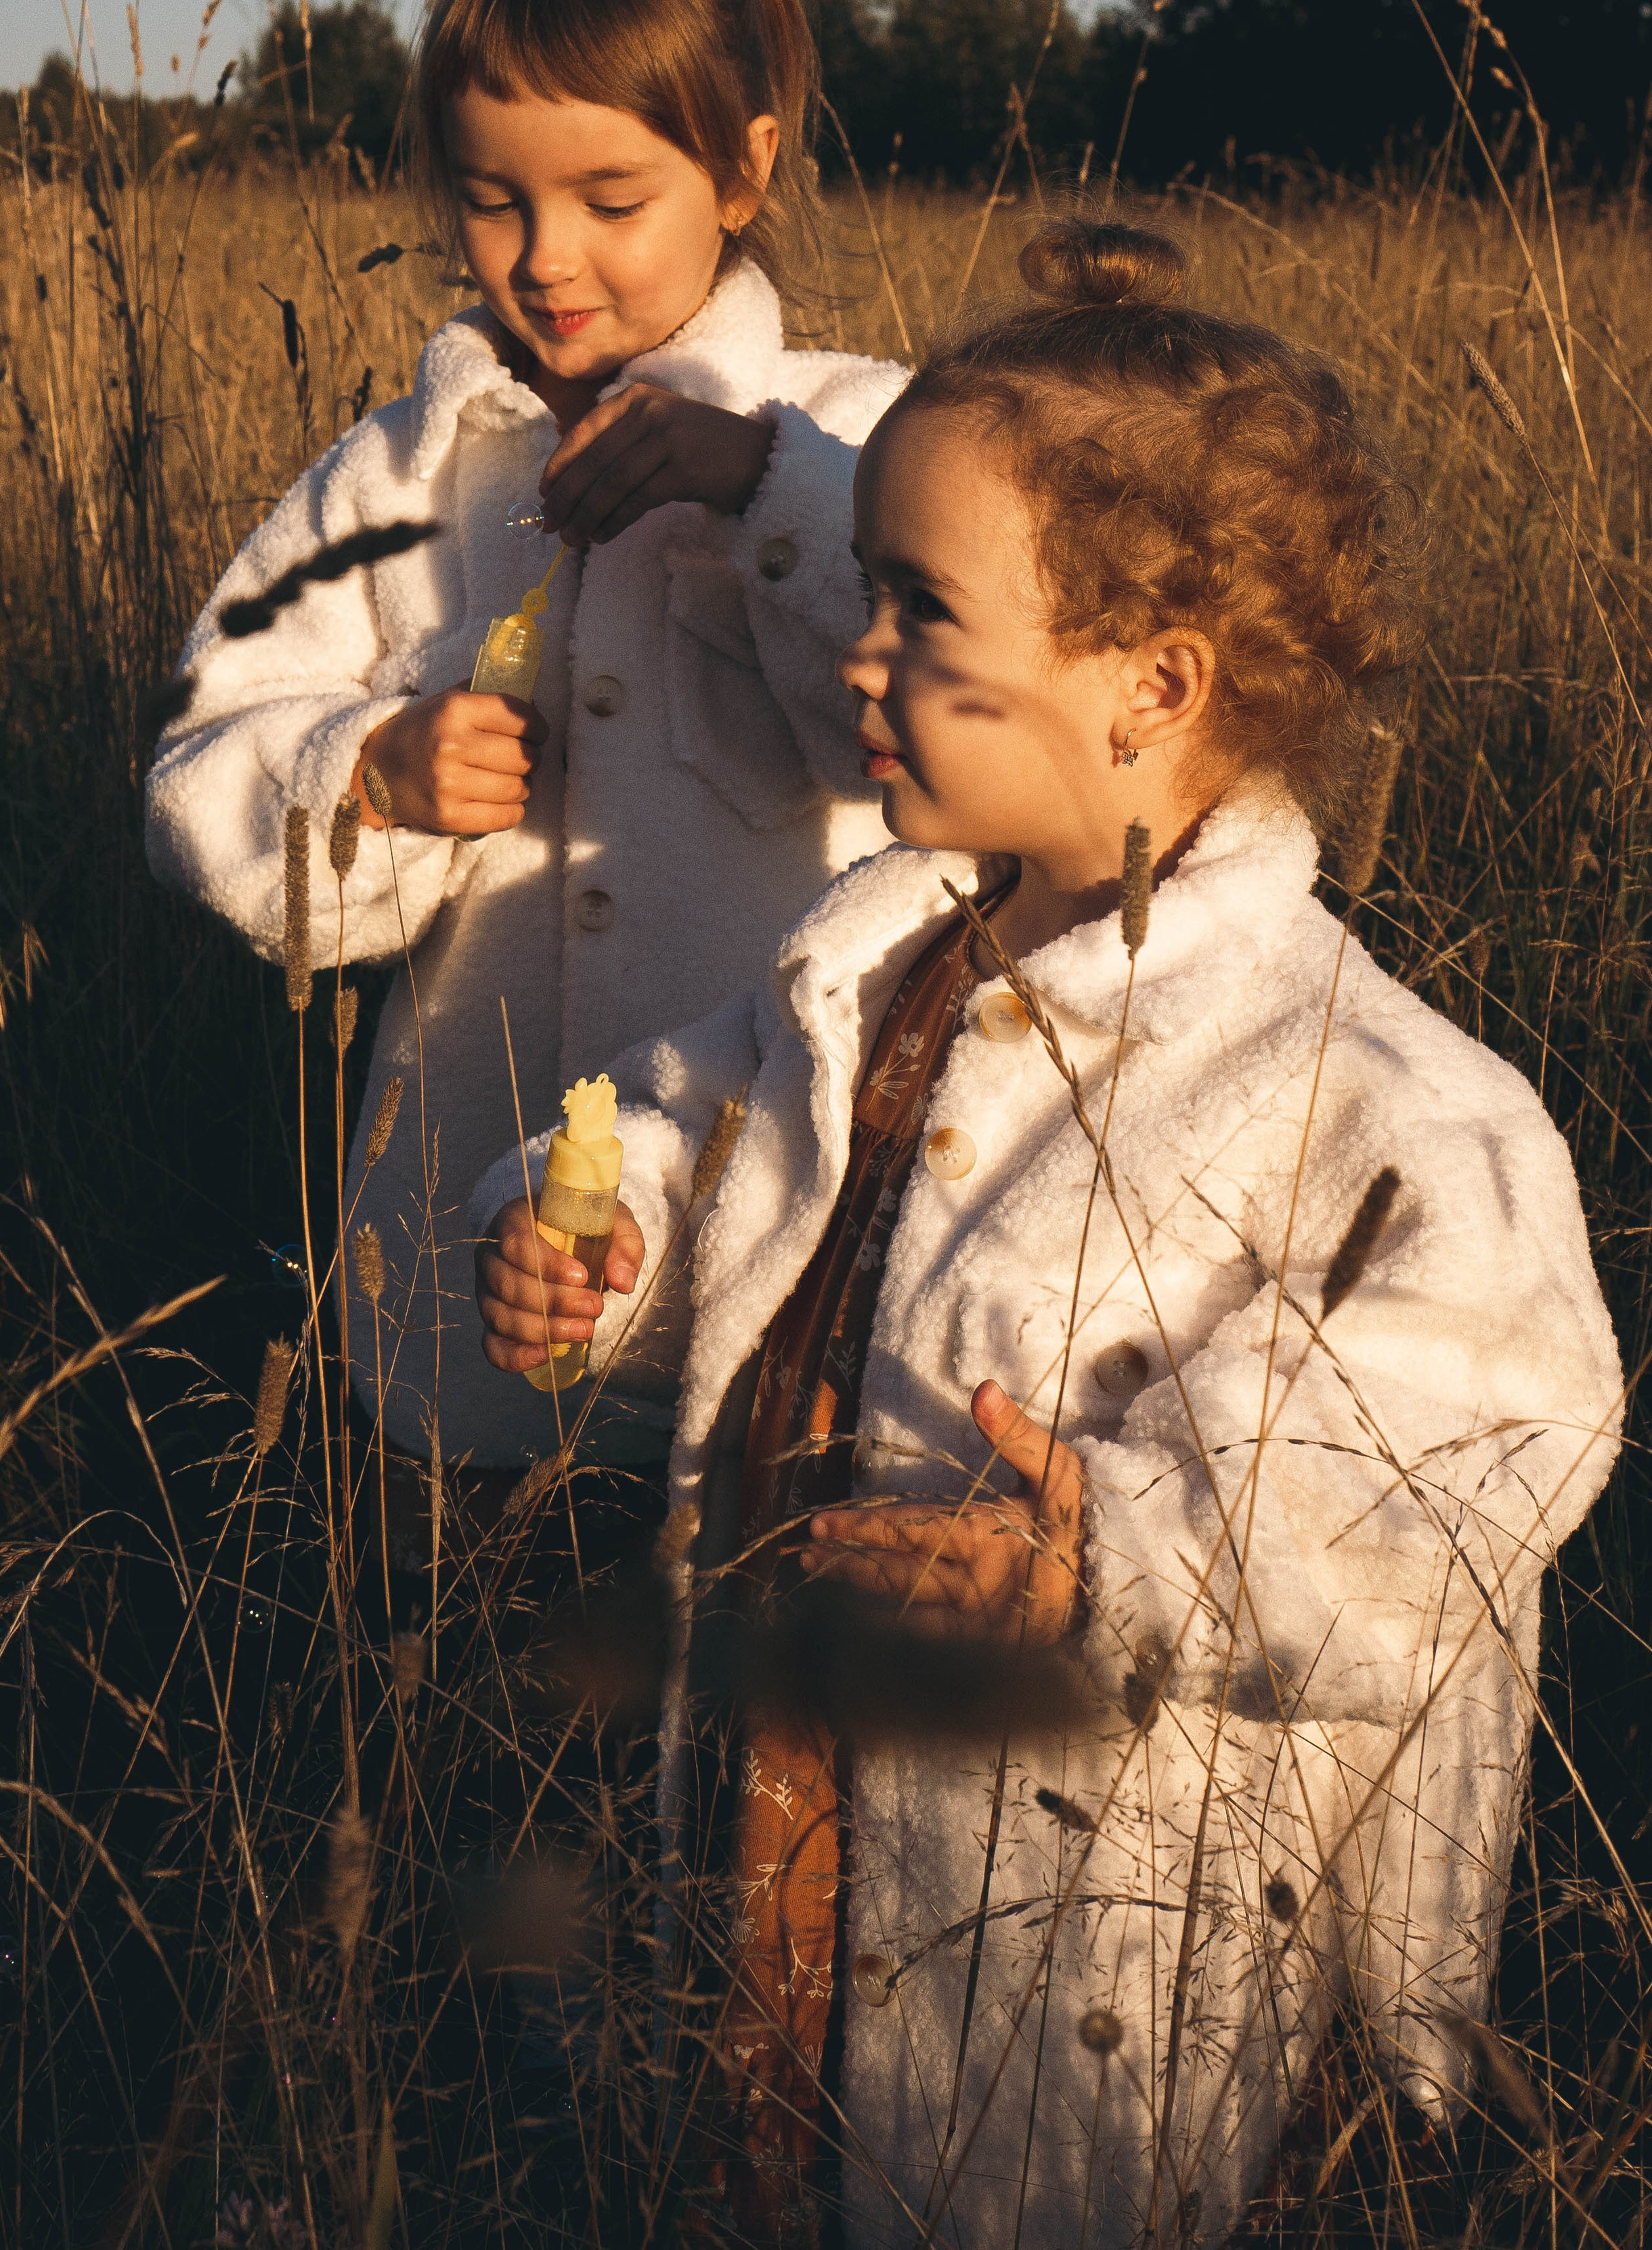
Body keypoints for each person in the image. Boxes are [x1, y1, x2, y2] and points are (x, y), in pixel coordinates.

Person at [473, 220, 1622, 2247]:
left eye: (919, 612)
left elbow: (1474, 1439)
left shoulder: (1382, 1102)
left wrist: (1126, 1553)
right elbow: (685, 1123)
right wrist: (603, 1243)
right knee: (784, 2149)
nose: (857, 657)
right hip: (790, 1795)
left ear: (1151, 689)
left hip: (1097, 1950)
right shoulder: (880, 953)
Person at [147, 0, 905, 1474]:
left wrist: (761, 489)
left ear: (745, 168)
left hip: (773, 1292)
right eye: (495, 200)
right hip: (452, 1319)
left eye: (612, 203)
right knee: (452, 1669)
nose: (547, 259)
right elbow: (205, 755)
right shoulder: (401, 478)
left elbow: (976, 697)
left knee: (720, 1675)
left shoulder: (864, 436)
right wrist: (362, 770)